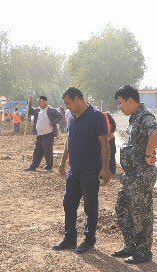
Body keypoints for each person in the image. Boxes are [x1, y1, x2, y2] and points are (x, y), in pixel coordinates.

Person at [51, 87, 111, 254]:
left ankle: (89, 240)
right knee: (68, 203)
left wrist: (105, 168)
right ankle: (69, 239)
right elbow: (68, 140)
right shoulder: (71, 116)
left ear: (77, 99)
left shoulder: (96, 116)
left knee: (90, 206)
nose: (67, 106)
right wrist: (63, 161)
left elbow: (104, 143)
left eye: (68, 103)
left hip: (90, 170)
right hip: (74, 169)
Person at [111, 85, 157, 264]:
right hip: (130, 175)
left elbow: (156, 132)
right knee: (122, 208)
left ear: (130, 100)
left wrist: (148, 154)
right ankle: (130, 245)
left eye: (120, 103)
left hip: (141, 174)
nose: (119, 107)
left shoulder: (145, 116)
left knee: (140, 213)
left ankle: (143, 251)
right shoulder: (134, 118)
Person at [25, 96, 61, 172]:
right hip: (39, 134)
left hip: (48, 134)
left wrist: (52, 122)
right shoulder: (38, 110)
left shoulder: (50, 109)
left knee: (48, 151)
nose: (38, 103)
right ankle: (33, 166)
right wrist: (29, 102)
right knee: (37, 151)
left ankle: (49, 167)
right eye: (37, 102)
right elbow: (29, 111)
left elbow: (60, 116)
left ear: (44, 102)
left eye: (39, 102)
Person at [104, 111, 118, 175]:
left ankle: (112, 172)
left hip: (110, 139)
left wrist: (111, 133)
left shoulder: (106, 115)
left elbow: (114, 124)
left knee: (111, 154)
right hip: (100, 141)